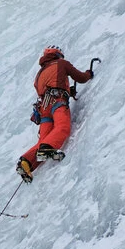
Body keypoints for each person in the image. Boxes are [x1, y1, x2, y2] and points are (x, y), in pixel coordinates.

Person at [17, 45, 94, 183]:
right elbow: (80, 77)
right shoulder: (61, 63)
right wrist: (89, 74)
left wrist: (68, 90)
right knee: (62, 127)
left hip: (44, 108)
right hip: (57, 101)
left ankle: (26, 162)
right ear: (58, 55)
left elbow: (49, 86)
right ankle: (48, 148)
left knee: (44, 138)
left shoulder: (39, 75)